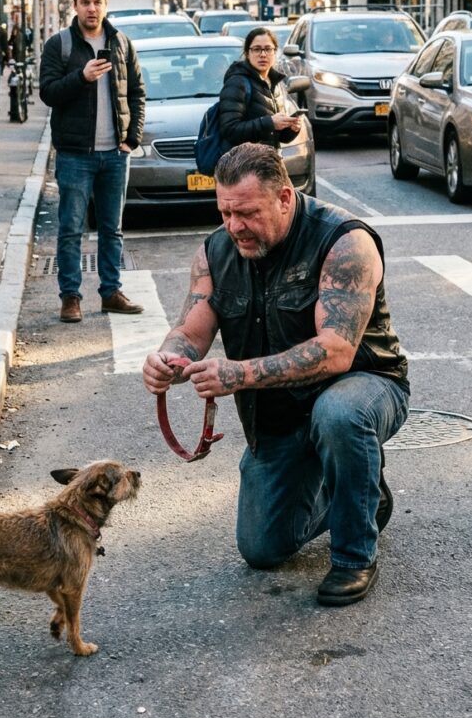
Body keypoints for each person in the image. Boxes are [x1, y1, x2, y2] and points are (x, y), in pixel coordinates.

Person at [142, 143, 410, 607]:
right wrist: (169, 360)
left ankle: (353, 556)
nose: (234, 226)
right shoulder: (215, 251)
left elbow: (337, 351)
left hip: (364, 387)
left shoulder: (345, 241)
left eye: (246, 213)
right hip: (278, 416)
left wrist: (239, 374)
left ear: (285, 197)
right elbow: (192, 327)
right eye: (225, 212)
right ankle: (360, 492)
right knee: (262, 548)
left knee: (339, 414)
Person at [39, 0, 146, 323]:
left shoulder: (122, 43)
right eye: (85, 2)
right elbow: (48, 92)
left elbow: (137, 94)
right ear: (75, 5)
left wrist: (132, 138)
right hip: (74, 154)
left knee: (111, 228)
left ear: (105, 4)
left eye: (97, 1)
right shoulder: (60, 45)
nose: (91, 8)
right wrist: (81, 77)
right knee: (70, 228)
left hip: (115, 154)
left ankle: (111, 292)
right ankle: (70, 297)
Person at [219, 27, 301, 151]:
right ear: (247, 53)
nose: (263, 54)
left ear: (275, 52)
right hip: (245, 164)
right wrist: (269, 122)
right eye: (257, 49)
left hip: (269, 161)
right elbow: (229, 130)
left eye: (268, 49)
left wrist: (292, 129)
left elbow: (277, 136)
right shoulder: (237, 82)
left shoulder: (276, 83)